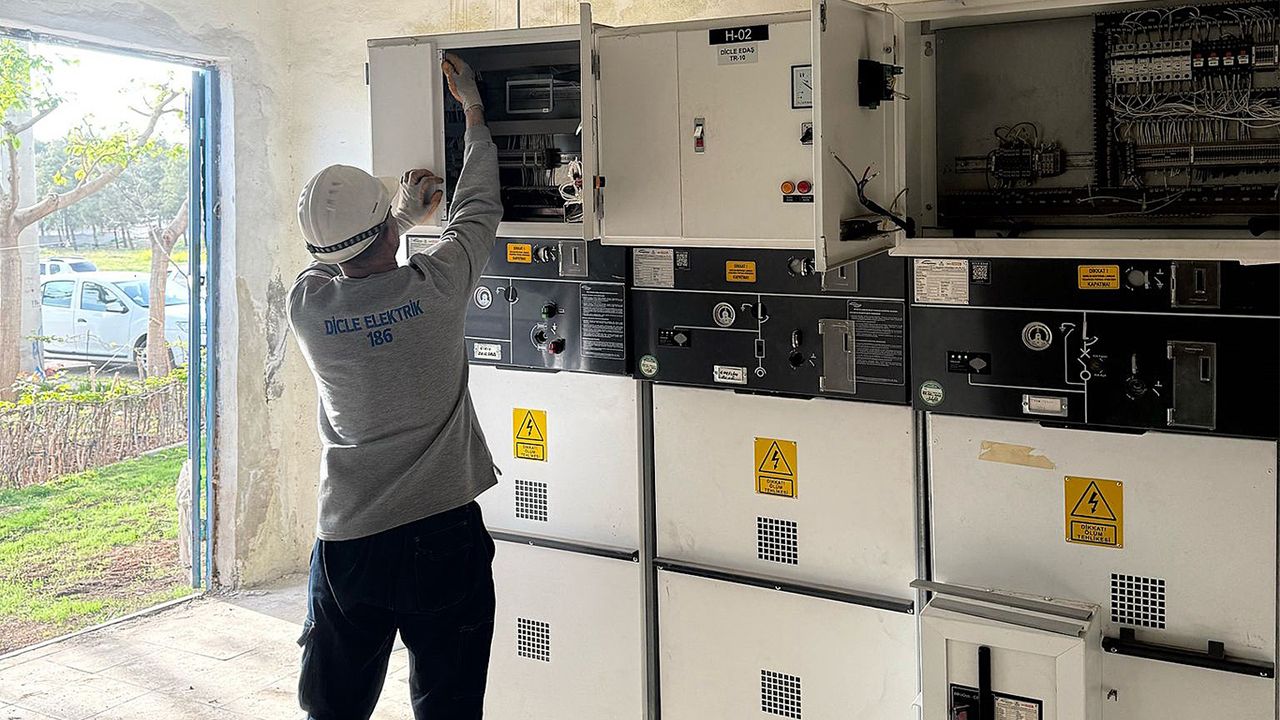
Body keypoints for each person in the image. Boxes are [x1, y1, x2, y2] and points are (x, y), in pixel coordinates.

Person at [288, 53, 501, 720]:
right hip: (443, 534)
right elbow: (478, 208)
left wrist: (400, 219)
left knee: (334, 708)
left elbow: (349, 262)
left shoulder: (308, 307)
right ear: (384, 227)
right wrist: (472, 109)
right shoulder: (438, 288)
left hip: (351, 541)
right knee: (449, 706)